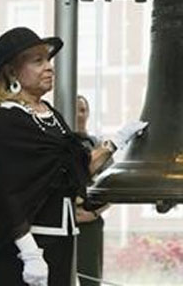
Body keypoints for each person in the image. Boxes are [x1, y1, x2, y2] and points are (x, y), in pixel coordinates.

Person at [0, 27, 146, 286]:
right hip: (24, 248)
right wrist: (29, 252)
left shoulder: (50, 114)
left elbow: (74, 169)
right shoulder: (6, 119)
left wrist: (117, 140)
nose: (49, 67)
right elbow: (6, 193)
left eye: (48, 59)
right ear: (12, 72)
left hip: (60, 242)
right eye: (38, 61)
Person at [75, 94, 110, 286]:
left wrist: (94, 214)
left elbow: (113, 187)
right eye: (75, 110)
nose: (79, 115)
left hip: (89, 224)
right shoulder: (54, 144)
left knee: (90, 279)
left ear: (88, 113)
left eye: (83, 110)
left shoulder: (97, 146)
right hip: (59, 222)